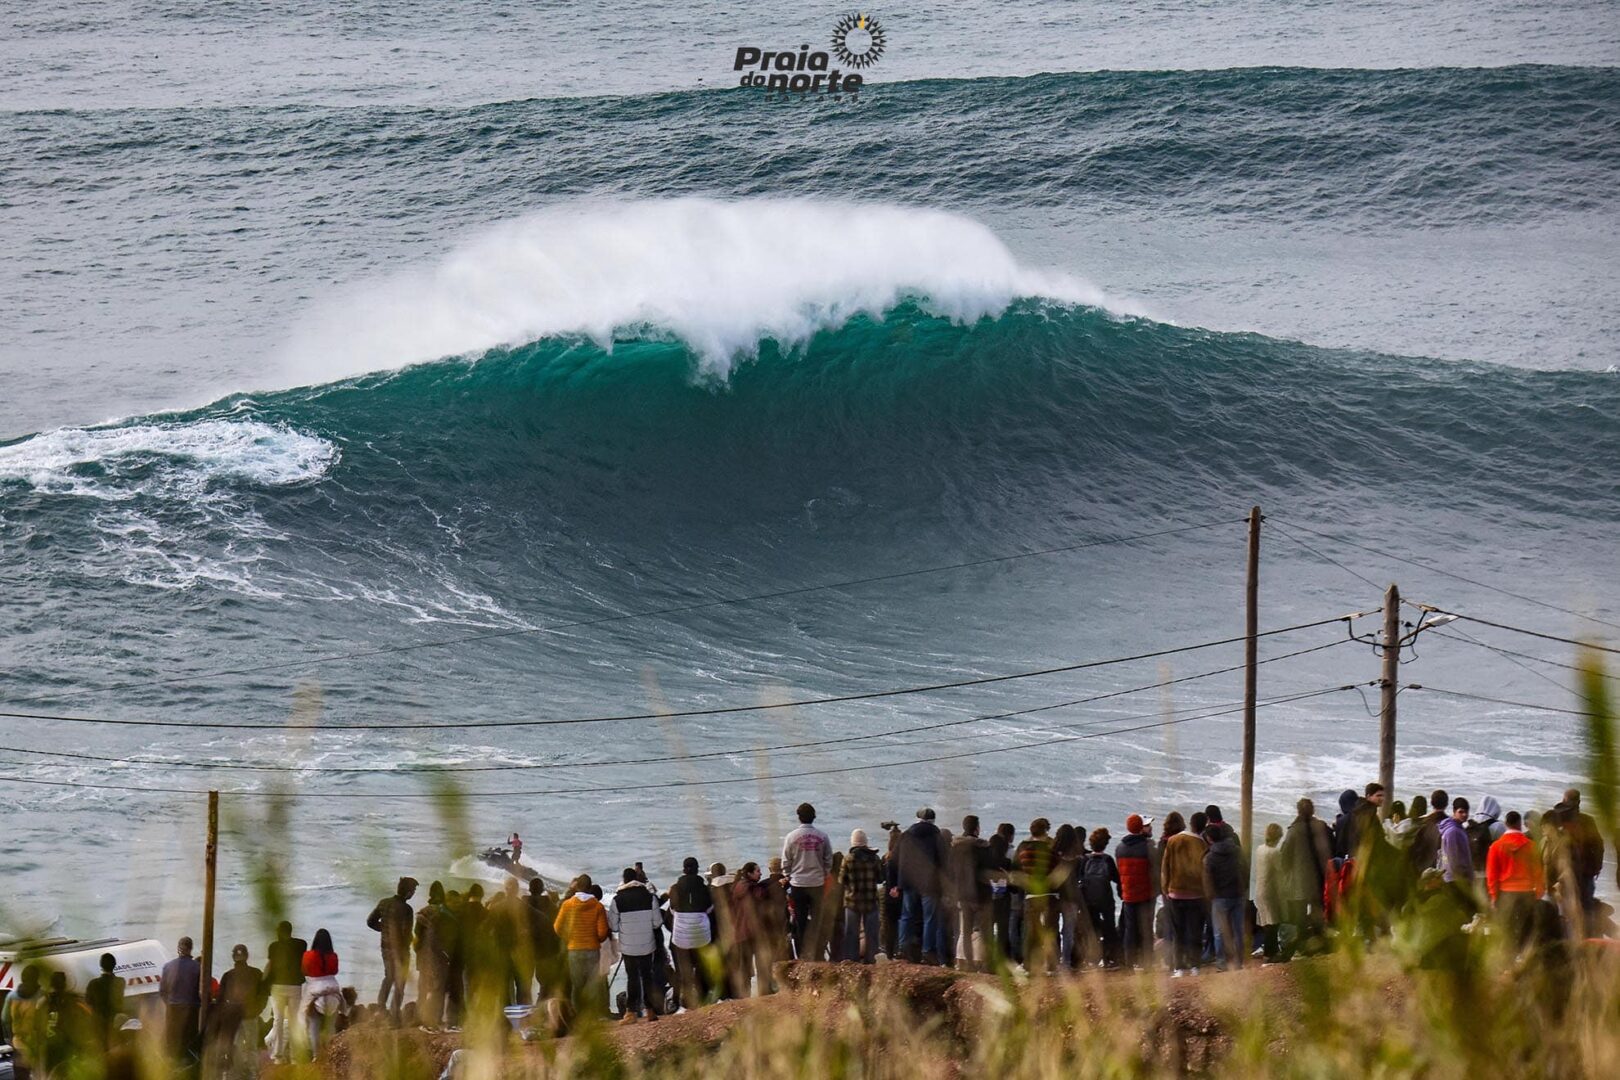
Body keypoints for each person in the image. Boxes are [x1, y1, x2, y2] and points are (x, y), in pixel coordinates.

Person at [1278, 798, 1333, 957]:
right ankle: (1321, 942)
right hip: (1319, 877)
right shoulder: (1320, 827)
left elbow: (1285, 857)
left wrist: (1287, 873)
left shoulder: (1294, 831)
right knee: (1318, 911)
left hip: (1300, 880)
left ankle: (1302, 946)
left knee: (1300, 916)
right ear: (1313, 811)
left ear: (1298, 811)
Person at [893, 807, 946, 964]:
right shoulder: (937, 836)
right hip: (930, 883)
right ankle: (927, 951)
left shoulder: (906, 835)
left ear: (917, 818)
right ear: (933, 820)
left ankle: (903, 948)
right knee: (929, 918)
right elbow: (945, 861)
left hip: (909, 881)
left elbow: (894, 858)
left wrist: (898, 881)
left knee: (906, 916)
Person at [782, 802, 834, 959]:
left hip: (798, 884)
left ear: (799, 817)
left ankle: (802, 954)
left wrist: (788, 875)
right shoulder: (823, 836)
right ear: (814, 817)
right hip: (817, 883)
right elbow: (828, 859)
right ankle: (818, 953)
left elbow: (786, 861)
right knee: (817, 921)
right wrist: (824, 873)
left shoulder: (791, 837)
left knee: (800, 922)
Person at [1486, 810, 1544, 949]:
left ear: (1506, 824)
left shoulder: (1496, 846)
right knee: (1526, 930)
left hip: (1505, 894)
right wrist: (1539, 893)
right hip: (1527, 893)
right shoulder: (1531, 846)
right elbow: (1538, 873)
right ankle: (1523, 961)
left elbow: (1492, 875)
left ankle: (1506, 963)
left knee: (1506, 930)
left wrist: (1494, 897)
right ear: (1520, 825)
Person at [609, 867, 660, 1022]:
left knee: (632, 977)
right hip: (647, 945)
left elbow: (613, 926)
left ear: (624, 880)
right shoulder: (650, 897)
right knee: (647, 977)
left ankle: (631, 1012)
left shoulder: (617, 900)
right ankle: (650, 1011)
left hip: (628, 946)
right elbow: (657, 923)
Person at [554, 874, 610, 1015]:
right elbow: (603, 932)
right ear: (590, 888)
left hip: (574, 950)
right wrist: (596, 939)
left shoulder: (567, 905)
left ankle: (578, 1016)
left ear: (577, 887)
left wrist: (569, 938)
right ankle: (592, 1017)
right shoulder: (598, 906)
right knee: (591, 986)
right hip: (592, 950)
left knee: (577, 986)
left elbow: (557, 927)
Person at [209, 943, 266, 1079]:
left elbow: (220, 999)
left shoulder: (227, 976)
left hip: (233, 1018)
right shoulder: (257, 973)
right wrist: (258, 1009)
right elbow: (264, 994)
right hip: (250, 1015)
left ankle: (238, 1073)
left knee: (236, 1046)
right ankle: (252, 1073)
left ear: (233, 957)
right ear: (247, 956)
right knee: (252, 1046)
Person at [1159, 813, 1206, 976]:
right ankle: (1195, 966)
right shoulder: (1200, 843)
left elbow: (1165, 868)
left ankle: (1179, 967)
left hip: (1175, 893)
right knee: (1195, 931)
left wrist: (1165, 889)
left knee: (1178, 932)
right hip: (1196, 894)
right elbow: (1203, 870)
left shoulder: (1172, 841)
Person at [367, 875, 417, 1024]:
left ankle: (380, 1010)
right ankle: (395, 1018)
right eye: (413, 890)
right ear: (408, 892)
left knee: (388, 977)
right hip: (401, 950)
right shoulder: (407, 909)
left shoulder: (384, 903)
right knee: (400, 982)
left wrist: (384, 930)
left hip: (385, 947)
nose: (413, 893)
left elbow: (370, 921)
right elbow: (407, 932)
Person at [667, 858, 714, 1009]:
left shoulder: (675, 888)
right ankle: (703, 997)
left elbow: (673, 909)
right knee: (701, 966)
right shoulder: (705, 888)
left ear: (683, 869)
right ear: (697, 869)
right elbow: (709, 909)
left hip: (681, 934)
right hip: (701, 933)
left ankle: (685, 1001)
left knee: (684, 968)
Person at [947, 816, 992, 970]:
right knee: (985, 931)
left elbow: (951, 872)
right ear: (976, 828)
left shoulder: (956, 847)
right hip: (981, 894)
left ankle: (968, 963)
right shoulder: (982, 847)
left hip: (963, 893)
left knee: (965, 931)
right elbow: (989, 870)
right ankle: (985, 964)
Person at [1015, 818, 1059, 971]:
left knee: (1031, 933)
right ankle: (1052, 966)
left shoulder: (1023, 848)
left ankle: (1028, 965)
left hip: (1031, 894)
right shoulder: (1052, 848)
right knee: (1050, 931)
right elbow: (1057, 868)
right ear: (1046, 831)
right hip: (1050, 894)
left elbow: (1016, 870)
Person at [1116, 815, 1157, 969]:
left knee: (1130, 930)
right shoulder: (1147, 847)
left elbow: (1120, 872)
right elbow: (1154, 870)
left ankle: (1129, 962)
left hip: (1128, 895)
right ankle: (1147, 963)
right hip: (1145, 894)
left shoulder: (1120, 848)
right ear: (1141, 827)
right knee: (1146, 928)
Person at [1204, 822, 1246, 969]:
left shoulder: (1210, 857)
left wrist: (1210, 896)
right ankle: (1239, 962)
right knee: (1238, 930)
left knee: (1219, 932)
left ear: (1209, 839)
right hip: (1237, 894)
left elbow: (1208, 881)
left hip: (1220, 897)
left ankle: (1221, 962)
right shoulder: (1237, 851)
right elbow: (1244, 870)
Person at [265, 920, 307, 1063]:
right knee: (294, 1021)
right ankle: (295, 1057)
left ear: (280, 932)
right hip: (295, 986)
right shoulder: (301, 945)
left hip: (277, 986)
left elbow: (269, 967)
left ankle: (278, 1055)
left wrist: (263, 984)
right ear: (290, 931)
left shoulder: (274, 946)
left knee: (278, 1020)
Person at [840, 829, 884, 964]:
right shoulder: (874, 858)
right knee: (872, 934)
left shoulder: (848, 859)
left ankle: (851, 961)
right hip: (871, 901)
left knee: (851, 934)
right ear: (865, 842)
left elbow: (841, 880)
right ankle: (871, 960)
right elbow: (880, 879)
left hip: (852, 901)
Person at [1080, 828, 1121, 967]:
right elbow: (1116, 879)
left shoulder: (1085, 860)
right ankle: (1110, 957)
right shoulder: (1108, 860)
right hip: (1106, 898)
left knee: (1092, 929)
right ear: (1105, 844)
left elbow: (1079, 879)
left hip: (1089, 900)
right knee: (1109, 928)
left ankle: (1092, 959)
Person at [301, 928, 344, 1060]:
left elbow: (304, 971)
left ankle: (315, 1055)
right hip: (333, 992)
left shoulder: (308, 955)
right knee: (331, 1026)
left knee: (311, 1023)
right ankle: (332, 1054)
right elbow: (335, 971)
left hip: (316, 992)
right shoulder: (333, 956)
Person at [414, 881, 452, 1029]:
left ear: (430, 894)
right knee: (439, 988)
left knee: (422, 987)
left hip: (423, 956)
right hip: (440, 955)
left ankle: (419, 1017)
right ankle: (436, 1018)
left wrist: (418, 951)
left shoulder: (423, 912)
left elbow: (416, 936)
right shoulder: (445, 913)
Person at [160, 935, 202, 1062]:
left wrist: (170, 1003)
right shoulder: (197, 967)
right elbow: (202, 990)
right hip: (191, 1009)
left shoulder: (168, 967)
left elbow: (162, 991)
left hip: (173, 1009)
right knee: (189, 1043)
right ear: (191, 949)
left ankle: (173, 1067)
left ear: (178, 949)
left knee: (173, 1043)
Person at [728, 863, 768, 995]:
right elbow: (761, 895)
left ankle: (745, 995)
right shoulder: (753, 889)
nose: (760, 873)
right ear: (750, 874)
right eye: (757, 871)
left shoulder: (736, 887)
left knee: (744, 967)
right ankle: (763, 992)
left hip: (740, 933)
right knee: (761, 963)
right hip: (753, 932)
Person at [1252, 822, 1285, 961]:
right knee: (1274, 923)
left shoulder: (1260, 849)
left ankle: (1270, 950)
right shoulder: (1275, 852)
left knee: (1266, 922)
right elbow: (1281, 870)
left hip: (1259, 889)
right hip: (1271, 891)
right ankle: (1270, 954)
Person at [85, 951, 126, 1050]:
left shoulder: (93, 983)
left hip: (98, 1022)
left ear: (101, 966)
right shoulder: (120, 981)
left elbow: (88, 1001)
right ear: (115, 965)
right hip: (114, 1021)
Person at [1439, 797, 1476, 889]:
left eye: (1466, 812)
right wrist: (1463, 878)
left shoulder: (1457, 828)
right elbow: (1453, 858)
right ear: (1454, 811)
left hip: (1451, 877)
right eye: (1461, 812)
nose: (1465, 815)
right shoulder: (1453, 831)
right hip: (1456, 880)